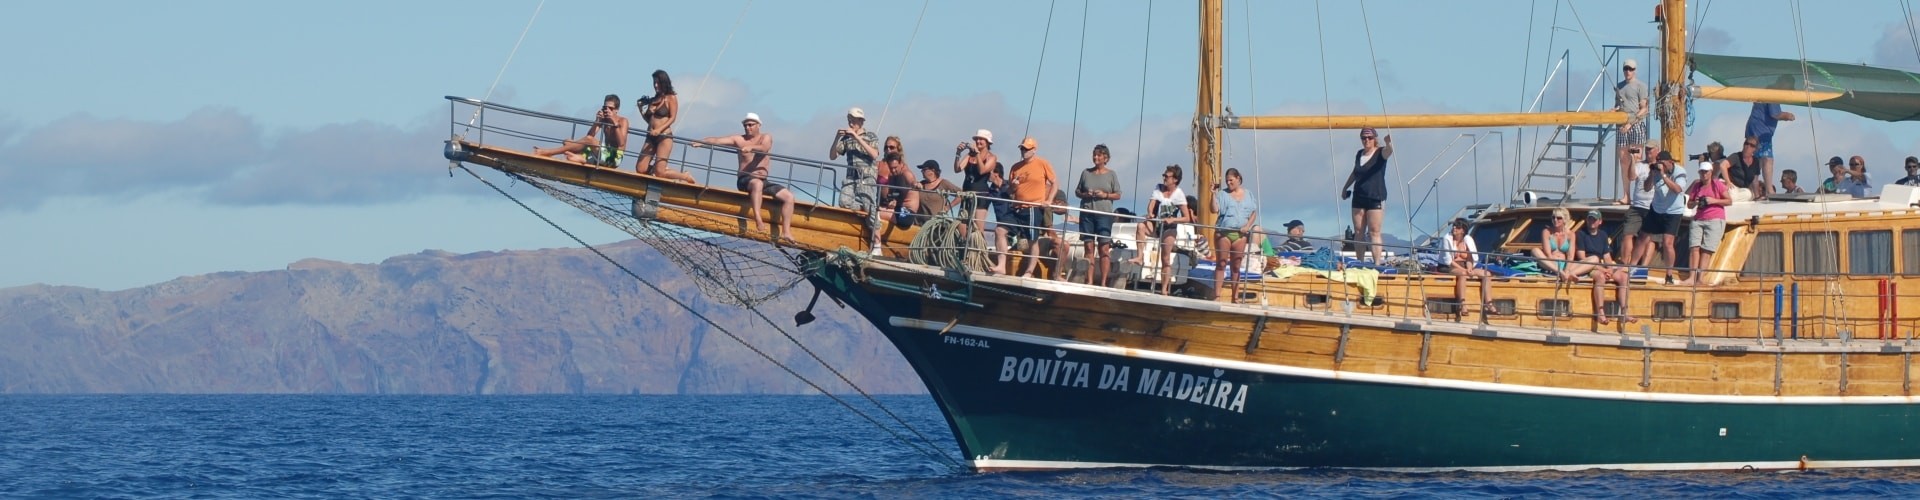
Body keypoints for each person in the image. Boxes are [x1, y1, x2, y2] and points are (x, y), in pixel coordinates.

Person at [695, 113, 794, 244]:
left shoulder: (766, 137)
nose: (748, 127)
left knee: (789, 197)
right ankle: (758, 218)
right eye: (745, 125)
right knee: (757, 184)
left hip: (763, 180)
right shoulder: (739, 140)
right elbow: (717, 140)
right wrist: (702, 142)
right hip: (745, 179)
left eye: (751, 125)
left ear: (758, 125)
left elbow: (764, 148)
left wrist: (751, 147)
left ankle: (786, 231)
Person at [1006, 137, 1058, 279]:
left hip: (1033, 208)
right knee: (1013, 236)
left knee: (1032, 238)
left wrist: (1049, 200)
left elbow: (1054, 183)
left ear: (1034, 150)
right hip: (1017, 208)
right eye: (1022, 148)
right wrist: (1013, 187)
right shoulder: (1015, 167)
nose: (1024, 151)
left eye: (1027, 149)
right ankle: (1014, 267)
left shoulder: (1042, 163)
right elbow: (1010, 191)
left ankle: (1029, 271)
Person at [1340, 128, 1393, 264]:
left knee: (1374, 231)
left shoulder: (1380, 152)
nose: (1366, 140)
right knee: (1359, 231)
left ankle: (1376, 263)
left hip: (1376, 196)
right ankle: (1360, 262)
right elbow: (1355, 172)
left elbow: (1389, 152)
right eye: (1363, 138)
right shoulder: (1359, 154)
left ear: (1374, 138)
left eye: (1369, 138)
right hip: (1359, 196)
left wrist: (1388, 144)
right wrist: (1346, 187)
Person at [1139, 165, 1193, 295]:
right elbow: (1151, 204)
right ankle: (1139, 256)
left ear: (1175, 179)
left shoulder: (1179, 194)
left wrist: (1173, 219)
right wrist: (1150, 213)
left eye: (1167, 176)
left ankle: (1164, 289)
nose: (1164, 178)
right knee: (1141, 226)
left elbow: (1186, 218)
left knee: (1165, 258)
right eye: (1164, 175)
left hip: (1169, 228)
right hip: (1157, 224)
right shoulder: (1158, 188)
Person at [1573, 210, 1634, 324]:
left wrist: (1610, 270)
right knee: (1600, 277)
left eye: (1594, 219)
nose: (1591, 221)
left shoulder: (1603, 235)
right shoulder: (1581, 234)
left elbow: (1607, 256)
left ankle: (1624, 312)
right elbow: (1582, 258)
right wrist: (1604, 270)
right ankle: (1600, 313)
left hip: (1602, 266)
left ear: (1600, 222)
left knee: (1624, 277)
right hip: (1588, 266)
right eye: (1590, 219)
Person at [635, 70, 697, 183]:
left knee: (659, 173)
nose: (655, 85)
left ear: (664, 83)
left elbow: (672, 118)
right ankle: (660, 168)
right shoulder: (653, 99)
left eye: (658, 83)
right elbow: (650, 120)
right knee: (640, 169)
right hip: (651, 136)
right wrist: (641, 110)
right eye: (654, 83)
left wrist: (659, 130)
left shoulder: (671, 98)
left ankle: (684, 176)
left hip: (664, 137)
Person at [534, 94, 627, 167]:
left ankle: (550, 152)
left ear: (617, 110)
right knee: (567, 142)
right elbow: (590, 135)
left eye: (611, 108)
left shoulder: (622, 121)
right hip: (602, 154)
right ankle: (581, 158)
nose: (607, 110)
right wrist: (597, 121)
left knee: (587, 141)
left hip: (614, 158)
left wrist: (614, 124)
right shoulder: (604, 119)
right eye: (605, 108)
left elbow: (621, 143)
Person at [1677, 160, 1730, 286]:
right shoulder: (1697, 185)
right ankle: (1691, 277)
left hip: (1715, 219)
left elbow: (1729, 201)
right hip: (1699, 219)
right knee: (1694, 248)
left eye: (1706, 172)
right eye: (1702, 172)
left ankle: (1700, 279)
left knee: (1706, 250)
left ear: (1711, 172)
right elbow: (1689, 205)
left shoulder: (1717, 185)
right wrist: (1695, 202)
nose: (1704, 175)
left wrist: (1712, 201)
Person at [1640, 151, 1690, 283]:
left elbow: (1677, 189)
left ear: (1670, 162)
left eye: (1662, 162)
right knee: (1644, 237)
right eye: (1658, 162)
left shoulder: (1679, 172)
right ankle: (1637, 269)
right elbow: (1646, 188)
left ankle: (1669, 274)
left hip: (1674, 211)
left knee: (1668, 243)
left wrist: (1663, 175)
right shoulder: (1656, 171)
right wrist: (1652, 174)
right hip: (1657, 209)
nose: (1660, 165)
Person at [1076, 144, 1123, 286]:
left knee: (1104, 248)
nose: (1095, 157)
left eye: (1099, 155)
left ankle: (1103, 282)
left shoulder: (1111, 174)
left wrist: (1105, 195)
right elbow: (1077, 192)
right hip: (1087, 213)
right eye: (1094, 155)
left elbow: (1118, 195)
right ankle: (1089, 280)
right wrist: (1085, 194)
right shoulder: (1086, 173)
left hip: (1104, 215)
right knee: (1088, 247)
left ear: (1105, 158)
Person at [1212, 168, 1259, 300]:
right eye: (1227, 181)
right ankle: (1217, 295)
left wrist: (1248, 226)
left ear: (1238, 178)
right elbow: (1214, 209)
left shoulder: (1248, 194)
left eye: (1231, 180)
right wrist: (1213, 195)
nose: (1229, 183)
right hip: (1224, 232)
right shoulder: (1222, 194)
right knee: (1221, 263)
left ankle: (1235, 297)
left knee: (1236, 266)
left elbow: (1253, 212)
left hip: (1240, 235)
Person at [1747, 78, 1796, 197]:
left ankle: (1755, 192)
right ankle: (1769, 190)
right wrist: (1788, 116)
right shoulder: (1772, 93)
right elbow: (1775, 114)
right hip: (1761, 133)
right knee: (1767, 160)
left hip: (1753, 131)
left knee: (1755, 162)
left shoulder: (1766, 90)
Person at [868, 136, 918, 254]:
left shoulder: (906, 172)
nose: (893, 170)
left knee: (874, 213)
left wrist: (916, 184)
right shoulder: (892, 173)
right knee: (874, 209)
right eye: (891, 168)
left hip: (907, 214)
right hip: (898, 209)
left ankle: (877, 247)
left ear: (900, 162)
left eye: (895, 168)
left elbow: (911, 180)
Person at [827, 107, 881, 213]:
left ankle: (875, 226)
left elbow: (874, 155)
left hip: (866, 176)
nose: (851, 124)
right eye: (849, 121)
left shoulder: (871, 136)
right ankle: (861, 208)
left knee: (869, 206)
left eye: (853, 121)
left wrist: (857, 137)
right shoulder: (846, 138)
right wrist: (837, 138)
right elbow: (832, 156)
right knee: (844, 202)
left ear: (861, 121)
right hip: (851, 177)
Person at [954, 130, 1002, 239]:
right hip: (967, 195)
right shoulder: (969, 155)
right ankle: (963, 251)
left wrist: (978, 155)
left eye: (981, 139)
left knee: (978, 228)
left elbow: (982, 170)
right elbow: (957, 169)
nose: (978, 141)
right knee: (962, 226)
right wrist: (958, 153)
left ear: (987, 142)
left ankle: (979, 252)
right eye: (976, 139)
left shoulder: (992, 157)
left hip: (981, 196)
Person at [1615, 59, 1650, 205]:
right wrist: (1614, 111)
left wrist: (1631, 123)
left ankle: (1639, 193)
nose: (1628, 71)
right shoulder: (1619, 86)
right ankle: (1626, 195)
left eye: (1630, 69)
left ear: (1635, 70)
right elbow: (1617, 105)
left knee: (1636, 159)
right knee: (1623, 160)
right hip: (1621, 125)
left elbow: (1644, 109)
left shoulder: (1641, 86)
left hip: (1635, 126)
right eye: (1625, 69)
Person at [1441, 218, 1492, 319]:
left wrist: (1469, 268)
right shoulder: (1447, 238)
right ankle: (1462, 304)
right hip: (1450, 266)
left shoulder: (1468, 239)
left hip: (1466, 265)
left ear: (1463, 230)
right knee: (1463, 274)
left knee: (1487, 274)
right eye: (1454, 225)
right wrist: (1464, 270)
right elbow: (1448, 261)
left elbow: (1470, 257)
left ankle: (1489, 303)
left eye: (1457, 226)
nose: (1454, 227)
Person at [1618, 146, 1654, 265]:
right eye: (1647, 149)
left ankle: (1643, 267)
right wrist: (1633, 159)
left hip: (1654, 208)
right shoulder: (1640, 165)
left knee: (1650, 238)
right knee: (1627, 234)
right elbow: (1632, 177)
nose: (1648, 152)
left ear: (1657, 150)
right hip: (1637, 206)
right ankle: (1625, 264)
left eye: (1651, 149)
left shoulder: (1661, 166)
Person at [1530, 207, 1578, 279]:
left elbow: (1570, 256)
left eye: (1559, 218)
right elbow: (1548, 254)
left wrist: (1566, 270)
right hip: (1549, 264)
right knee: (1534, 250)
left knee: (1594, 259)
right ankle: (1561, 273)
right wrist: (1557, 269)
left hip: (1564, 265)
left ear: (1565, 219)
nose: (1555, 220)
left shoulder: (1571, 234)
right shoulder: (1546, 232)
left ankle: (1567, 273)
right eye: (1553, 217)